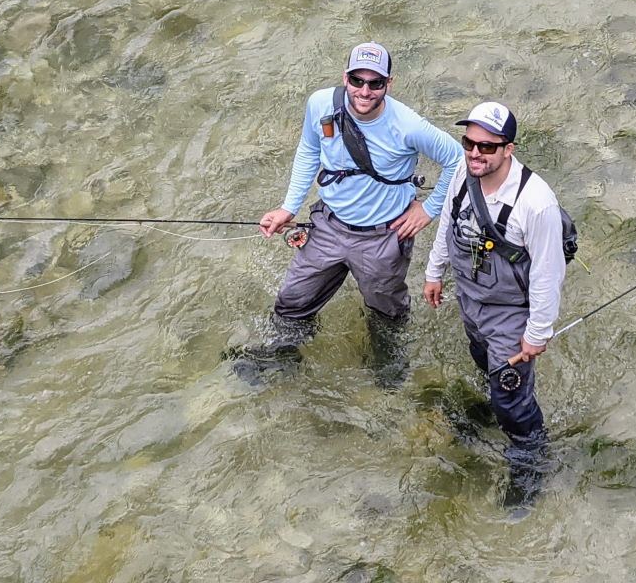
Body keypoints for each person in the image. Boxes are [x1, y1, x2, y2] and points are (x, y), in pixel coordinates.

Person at [243, 41, 463, 387]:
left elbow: (458, 159)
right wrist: (289, 207)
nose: (364, 91)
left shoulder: (409, 125)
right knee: (291, 304)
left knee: (387, 315)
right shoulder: (320, 105)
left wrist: (429, 208)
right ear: (344, 77)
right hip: (328, 226)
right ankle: (284, 356)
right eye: (357, 80)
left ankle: (387, 368)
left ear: (389, 84)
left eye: (375, 83)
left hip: (383, 238)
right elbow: (308, 150)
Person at [422, 101, 567, 507]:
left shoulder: (536, 203)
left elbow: (547, 274)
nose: (474, 153)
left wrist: (537, 332)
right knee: (480, 359)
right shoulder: (461, 172)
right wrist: (435, 272)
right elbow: (448, 224)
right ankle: (494, 411)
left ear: (509, 149)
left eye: (487, 146)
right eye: (469, 142)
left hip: (510, 313)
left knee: (512, 400)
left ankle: (530, 463)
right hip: (470, 298)